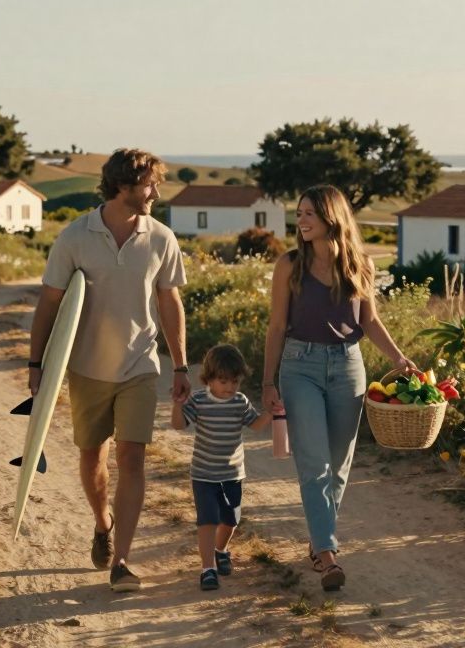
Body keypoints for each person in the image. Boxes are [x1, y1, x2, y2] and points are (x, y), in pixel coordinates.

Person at [28, 148, 190, 593]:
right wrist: (36, 364)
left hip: (140, 365)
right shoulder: (76, 237)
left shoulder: (161, 238)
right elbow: (50, 303)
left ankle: (121, 559)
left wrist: (180, 365)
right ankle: (103, 522)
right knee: (90, 455)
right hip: (85, 367)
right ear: (124, 186)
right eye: (149, 184)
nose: (156, 192)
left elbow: (169, 302)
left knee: (132, 457)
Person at [259, 185, 413, 592]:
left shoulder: (359, 264)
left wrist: (398, 358)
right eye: (300, 212)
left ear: (332, 217)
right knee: (314, 462)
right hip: (299, 366)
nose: (301, 221)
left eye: (309, 213)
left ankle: (317, 538)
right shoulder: (289, 265)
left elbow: (369, 322)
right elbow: (276, 326)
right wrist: (267, 381)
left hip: (348, 365)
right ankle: (328, 555)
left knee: (339, 462)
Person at [171, 344, 279, 591]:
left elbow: (256, 425)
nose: (230, 387)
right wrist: (177, 404)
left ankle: (221, 550)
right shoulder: (199, 400)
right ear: (208, 379)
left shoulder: (239, 402)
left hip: (232, 475)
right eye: (223, 381)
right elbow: (178, 425)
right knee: (207, 520)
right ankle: (207, 569)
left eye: (235, 381)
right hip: (203, 475)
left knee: (230, 520)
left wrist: (270, 413)